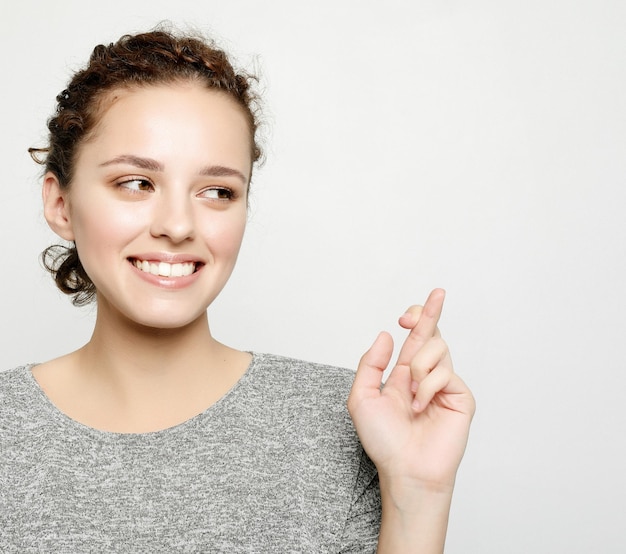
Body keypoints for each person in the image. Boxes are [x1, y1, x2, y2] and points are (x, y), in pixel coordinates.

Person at [0, 28, 475, 552]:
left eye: (217, 191)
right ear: (60, 204)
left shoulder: (352, 421)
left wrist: (419, 492)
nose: (178, 225)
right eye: (136, 182)